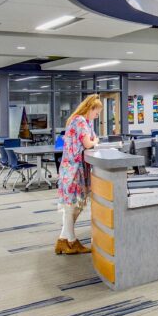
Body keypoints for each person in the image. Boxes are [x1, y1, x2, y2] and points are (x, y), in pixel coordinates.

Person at [55, 94, 102, 255]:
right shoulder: (80, 120)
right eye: (97, 112)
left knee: (74, 206)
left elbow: (91, 138)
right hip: (74, 170)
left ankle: (63, 240)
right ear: (90, 108)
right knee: (72, 207)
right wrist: (95, 141)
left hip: (73, 168)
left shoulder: (82, 121)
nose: (97, 116)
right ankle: (71, 241)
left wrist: (94, 139)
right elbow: (89, 142)